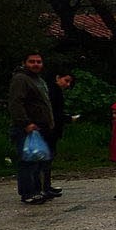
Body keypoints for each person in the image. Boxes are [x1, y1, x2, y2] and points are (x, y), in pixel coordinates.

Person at [8, 52, 55, 206]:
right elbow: (16, 103)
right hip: (26, 128)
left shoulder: (37, 79)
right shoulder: (21, 79)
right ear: (24, 63)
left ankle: (38, 190)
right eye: (32, 61)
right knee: (27, 161)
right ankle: (28, 193)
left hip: (39, 127)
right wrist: (25, 123)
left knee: (38, 160)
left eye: (39, 61)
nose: (36, 64)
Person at [44, 70, 75, 198]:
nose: (67, 85)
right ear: (58, 77)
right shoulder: (53, 91)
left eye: (69, 82)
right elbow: (53, 113)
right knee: (45, 159)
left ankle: (46, 185)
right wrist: (67, 118)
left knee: (48, 159)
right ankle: (43, 187)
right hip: (49, 129)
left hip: (53, 129)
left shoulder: (55, 91)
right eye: (66, 81)